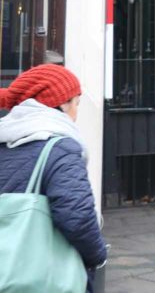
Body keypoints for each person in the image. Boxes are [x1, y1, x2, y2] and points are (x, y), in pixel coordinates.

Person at [0, 64, 107, 292]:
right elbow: (77, 216)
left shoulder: (4, 138)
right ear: (62, 103)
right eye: (77, 103)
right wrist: (98, 255)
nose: (77, 112)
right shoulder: (60, 148)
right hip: (40, 278)